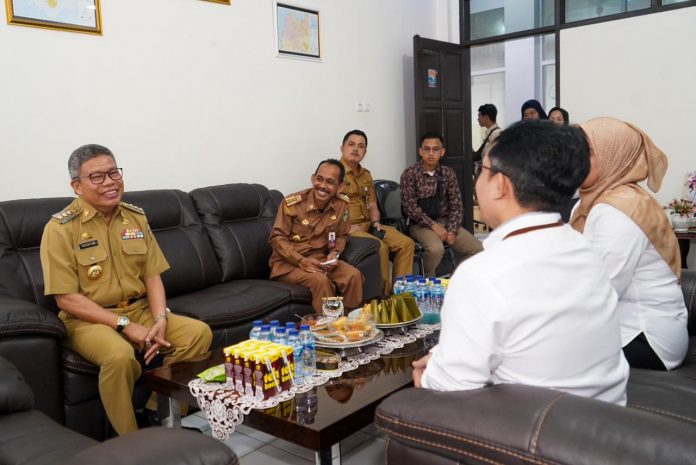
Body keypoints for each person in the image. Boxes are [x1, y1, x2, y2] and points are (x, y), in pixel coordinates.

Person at [412, 120, 629, 405]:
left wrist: (430, 373)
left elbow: (447, 390)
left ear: (501, 185)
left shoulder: (482, 274)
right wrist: (444, 358)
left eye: (482, 171)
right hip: (605, 420)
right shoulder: (585, 248)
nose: (477, 180)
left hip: (533, 437)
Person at [39, 144, 212, 435]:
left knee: (198, 334)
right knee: (119, 356)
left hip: (139, 309)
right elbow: (66, 298)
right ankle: (131, 441)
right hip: (88, 319)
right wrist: (125, 325)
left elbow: (152, 276)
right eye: (97, 177)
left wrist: (160, 320)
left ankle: (161, 416)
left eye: (113, 173)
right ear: (76, 186)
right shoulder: (59, 229)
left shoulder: (135, 217)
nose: (109, 182)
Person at [570, 117, 688, 371]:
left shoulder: (619, 208)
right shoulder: (589, 201)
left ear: (614, 155)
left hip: (646, 336)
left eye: (587, 153)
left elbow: (601, 292)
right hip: (618, 323)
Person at [269, 159, 364, 313]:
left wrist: (334, 253)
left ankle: (350, 323)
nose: (322, 186)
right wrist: (301, 261)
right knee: (320, 280)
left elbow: (340, 235)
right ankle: (328, 329)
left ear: (339, 187)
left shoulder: (341, 205)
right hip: (288, 264)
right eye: (319, 179)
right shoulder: (292, 203)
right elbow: (276, 238)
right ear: (313, 178)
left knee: (353, 276)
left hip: (320, 260)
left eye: (330, 182)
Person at [339, 130, 414, 294]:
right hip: (349, 229)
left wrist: (376, 223)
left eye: (361, 146)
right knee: (379, 247)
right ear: (342, 147)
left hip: (368, 225)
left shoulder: (366, 175)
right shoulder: (334, 173)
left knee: (406, 243)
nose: (355, 149)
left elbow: (372, 204)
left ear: (365, 152)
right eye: (351, 144)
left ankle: (401, 295)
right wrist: (345, 229)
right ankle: (383, 297)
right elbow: (327, 208)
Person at [400, 133, 483, 277]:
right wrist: (433, 225)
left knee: (478, 249)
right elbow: (410, 207)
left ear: (442, 152)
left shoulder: (448, 173)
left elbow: (456, 205)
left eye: (435, 149)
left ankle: (457, 278)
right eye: (427, 149)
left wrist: (452, 230)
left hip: (446, 223)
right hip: (420, 225)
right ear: (420, 151)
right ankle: (427, 280)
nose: (431, 153)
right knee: (436, 250)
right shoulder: (410, 173)